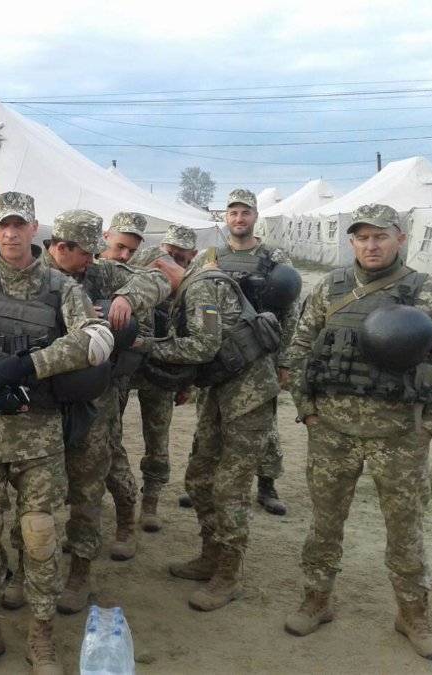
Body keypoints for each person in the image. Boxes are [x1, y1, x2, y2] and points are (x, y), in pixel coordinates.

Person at [0, 192, 115, 675]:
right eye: (2, 225)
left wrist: (28, 366)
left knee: (40, 537)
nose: (11, 233)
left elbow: (97, 339)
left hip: (40, 434)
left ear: (35, 229)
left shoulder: (61, 287)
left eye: (19, 225)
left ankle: (41, 637)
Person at [285, 203, 432, 661]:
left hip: (399, 436)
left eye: (380, 236)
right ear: (352, 242)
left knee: (405, 530)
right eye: (362, 237)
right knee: (325, 524)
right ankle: (317, 599)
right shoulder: (330, 287)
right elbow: (299, 349)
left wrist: (431, 426)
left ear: (400, 238)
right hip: (332, 433)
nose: (371, 245)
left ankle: (413, 614)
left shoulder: (427, 293)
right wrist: (308, 412)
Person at [9, 210, 164, 618]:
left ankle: (80, 571)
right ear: (61, 247)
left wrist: (126, 299)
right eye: (85, 253)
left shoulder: (102, 274)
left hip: (93, 397)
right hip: (41, 399)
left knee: (87, 484)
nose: (93, 260)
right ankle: (23, 566)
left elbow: (158, 279)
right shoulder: (30, 276)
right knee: (30, 487)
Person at [141, 235, 280, 612]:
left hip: (249, 395)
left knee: (230, 486)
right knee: (200, 476)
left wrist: (146, 345)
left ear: (160, 269)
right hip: (220, 392)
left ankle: (229, 574)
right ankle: (211, 555)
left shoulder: (201, 286)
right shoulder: (193, 286)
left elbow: (203, 347)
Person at [194, 189, 300, 516]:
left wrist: (284, 360)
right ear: (225, 218)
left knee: (263, 424)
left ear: (255, 216)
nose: (239, 219)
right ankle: (204, 483)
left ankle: (267, 485)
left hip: (260, 354)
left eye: (245, 213)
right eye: (233, 213)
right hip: (217, 354)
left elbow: (290, 311)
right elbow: (191, 300)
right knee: (208, 420)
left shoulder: (274, 258)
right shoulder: (208, 257)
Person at [127, 224, 199, 529]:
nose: (172, 262)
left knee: (157, 439)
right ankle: (121, 500)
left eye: (181, 258)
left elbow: (193, 337)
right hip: (127, 366)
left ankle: (151, 501)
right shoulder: (141, 263)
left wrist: (186, 382)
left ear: (192, 256)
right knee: (107, 436)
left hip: (162, 370)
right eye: (169, 254)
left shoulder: (194, 284)